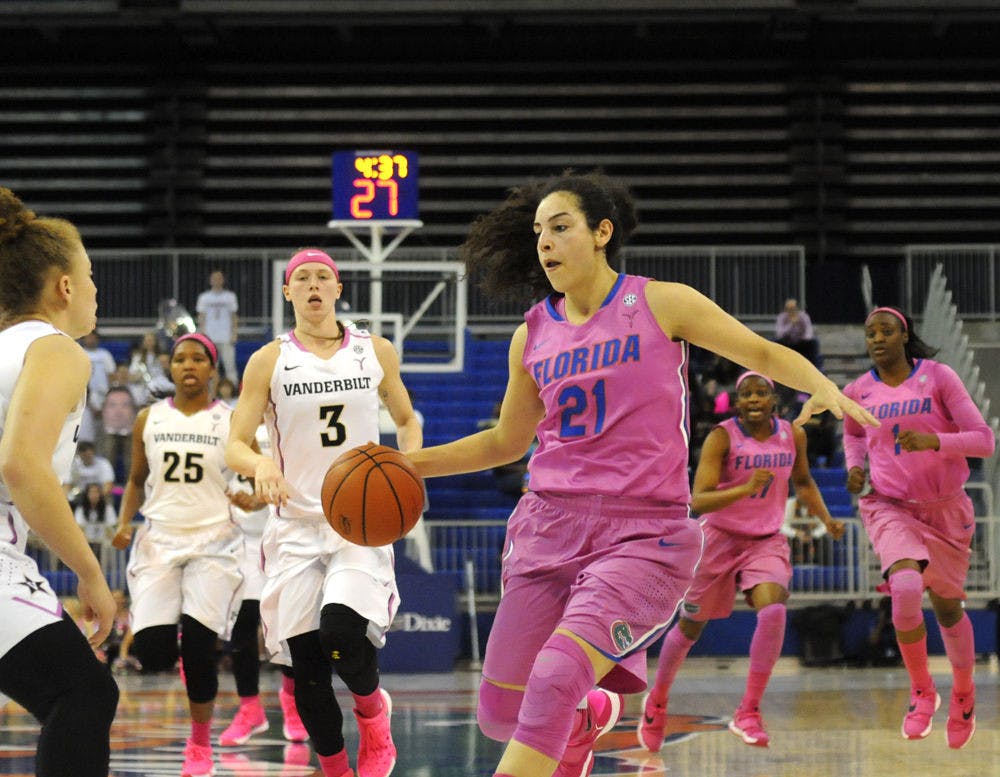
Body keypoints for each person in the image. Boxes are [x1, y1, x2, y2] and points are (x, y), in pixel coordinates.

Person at [402, 171, 876, 777]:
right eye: (538, 231)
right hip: (547, 525)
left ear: (602, 233)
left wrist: (824, 386)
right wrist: (409, 463)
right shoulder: (532, 335)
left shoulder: (659, 301)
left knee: (554, 675)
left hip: (641, 533)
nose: (544, 241)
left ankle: (571, 706)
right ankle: (586, 717)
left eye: (560, 226)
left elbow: (757, 352)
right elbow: (506, 441)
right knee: (500, 714)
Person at [225, 247, 423, 777]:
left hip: (356, 524)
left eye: (323, 277)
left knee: (341, 633)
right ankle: (335, 768)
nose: (313, 285)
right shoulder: (269, 360)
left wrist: (406, 465)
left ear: (338, 290)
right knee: (308, 670)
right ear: (288, 293)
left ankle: (372, 711)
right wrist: (260, 464)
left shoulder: (374, 350)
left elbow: (406, 419)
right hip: (294, 527)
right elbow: (234, 445)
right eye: (302, 278)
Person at [638, 371, 844, 752]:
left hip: (765, 540)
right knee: (690, 628)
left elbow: (802, 482)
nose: (752, 399)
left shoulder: (792, 435)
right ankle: (658, 701)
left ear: (773, 399)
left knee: (774, 611)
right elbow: (697, 500)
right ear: (736, 402)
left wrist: (825, 517)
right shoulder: (721, 438)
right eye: (745, 394)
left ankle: (748, 710)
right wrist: (745, 487)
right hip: (718, 539)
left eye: (760, 393)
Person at [0, 186, 119, 777]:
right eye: (91, 274)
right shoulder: (56, 349)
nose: (96, 288)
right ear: (65, 287)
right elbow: (21, 466)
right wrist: (91, 573)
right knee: (85, 693)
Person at [842, 306, 995, 750]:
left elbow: (984, 440)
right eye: (870, 332)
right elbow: (852, 434)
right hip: (891, 506)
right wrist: (855, 467)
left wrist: (936, 441)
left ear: (904, 336)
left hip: (947, 509)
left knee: (948, 610)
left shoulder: (939, 377)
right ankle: (922, 691)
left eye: (886, 331)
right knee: (905, 586)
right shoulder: (858, 390)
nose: (877, 338)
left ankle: (964, 694)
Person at [111, 333, 247, 777]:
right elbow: (135, 478)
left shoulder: (232, 422)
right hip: (160, 540)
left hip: (214, 541)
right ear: (169, 369)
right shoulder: (147, 419)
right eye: (180, 359)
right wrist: (123, 522)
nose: (188, 365)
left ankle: (200, 743)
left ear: (212, 369)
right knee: (152, 654)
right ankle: (185, 636)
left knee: (200, 650)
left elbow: (258, 476)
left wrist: (253, 498)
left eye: (198, 358)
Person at [219, 422, 309, 748]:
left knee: (292, 630)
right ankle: (250, 709)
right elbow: (224, 483)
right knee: (242, 631)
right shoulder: (234, 436)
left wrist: (262, 498)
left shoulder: (292, 426)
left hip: (287, 540)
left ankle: (291, 699)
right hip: (245, 545)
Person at [196, 268, 239, 381]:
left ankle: (233, 392)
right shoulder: (204, 297)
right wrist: (202, 335)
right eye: (214, 278)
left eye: (219, 278)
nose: (216, 280)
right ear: (210, 281)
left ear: (223, 280)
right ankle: (210, 393)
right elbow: (201, 317)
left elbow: (234, 316)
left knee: (230, 366)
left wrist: (234, 333)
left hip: (226, 337)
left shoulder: (230, 296)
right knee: (211, 367)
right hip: (210, 337)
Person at [79, 328, 117, 445]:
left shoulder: (104, 355)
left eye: (93, 337)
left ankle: (101, 462)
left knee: (104, 437)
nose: (91, 339)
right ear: (83, 339)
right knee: (85, 435)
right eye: (88, 337)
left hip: (104, 397)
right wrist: (89, 404)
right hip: (84, 399)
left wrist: (107, 401)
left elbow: (112, 377)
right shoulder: (79, 353)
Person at [74, 482, 117, 558]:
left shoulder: (108, 509)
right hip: (86, 543)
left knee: (108, 544)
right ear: (87, 494)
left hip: (103, 543)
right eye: (91, 492)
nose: (94, 495)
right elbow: (79, 528)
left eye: (96, 492)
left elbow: (111, 527)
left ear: (100, 494)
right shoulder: (80, 510)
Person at [775, 298, 821, 368]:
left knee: (814, 342)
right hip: (787, 342)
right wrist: (791, 324)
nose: (791, 311)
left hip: (801, 342)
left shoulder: (803, 316)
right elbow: (780, 334)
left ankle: (817, 368)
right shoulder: (782, 317)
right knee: (774, 341)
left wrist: (805, 338)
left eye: (793, 308)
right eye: (789, 309)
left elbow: (808, 331)